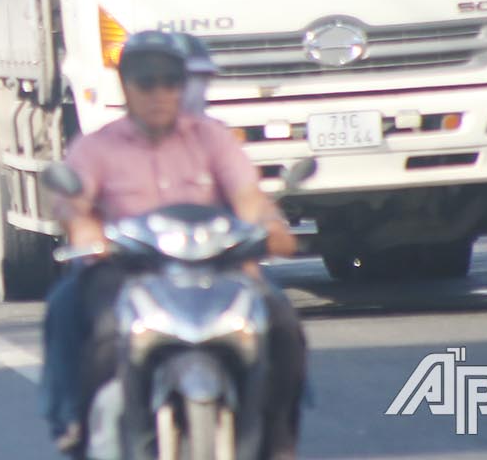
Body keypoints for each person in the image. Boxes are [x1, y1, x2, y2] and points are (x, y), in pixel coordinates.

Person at [41, 30, 306, 459]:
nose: (160, 93)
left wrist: (269, 227)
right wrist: (88, 235)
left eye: (170, 82)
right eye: (147, 82)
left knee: (279, 321)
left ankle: (278, 437)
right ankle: (76, 419)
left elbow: (249, 197)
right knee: (71, 309)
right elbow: (74, 204)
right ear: (125, 85)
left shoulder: (212, 138)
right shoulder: (98, 146)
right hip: (127, 269)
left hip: (215, 267)